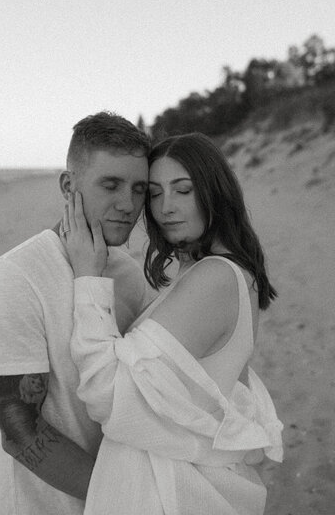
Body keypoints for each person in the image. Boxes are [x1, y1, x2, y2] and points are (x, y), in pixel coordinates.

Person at [61, 132, 284, 515]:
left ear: (214, 191)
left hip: (170, 495)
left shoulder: (214, 277)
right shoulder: (208, 271)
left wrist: (88, 278)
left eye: (183, 190)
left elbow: (106, 392)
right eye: (154, 193)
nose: (165, 208)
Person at [0, 112, 151, 515]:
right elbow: (20, 433)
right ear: (69, 185)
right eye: (111, 184)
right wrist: (129, 498)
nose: (128, 204)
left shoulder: (129, 274)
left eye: (139, 188)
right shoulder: (16, 277)